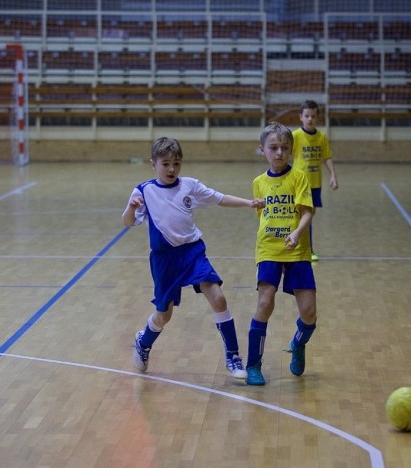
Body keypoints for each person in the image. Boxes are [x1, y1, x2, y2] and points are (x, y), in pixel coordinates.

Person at [123, 137, 263, 378]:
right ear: (153, 164)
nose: (171, 169)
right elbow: (127, 222)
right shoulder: (144, 191)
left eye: (176, 163)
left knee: (218, 298)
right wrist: (131, 209)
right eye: (165, 164)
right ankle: (143, 342)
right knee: (164, 314)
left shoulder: (189, 185)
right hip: (164, 260)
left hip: (192, 252)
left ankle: (233, 356)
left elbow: (219, 198)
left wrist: (248, 202)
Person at [246, 122, 317, 386]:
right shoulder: (258, 183)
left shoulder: (299, 177)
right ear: (262, 149)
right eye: (273, 148)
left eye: (284, 148)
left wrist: (297, 233)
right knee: (265, 303)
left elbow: (308, 211)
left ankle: (298, 343)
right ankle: (253, 365)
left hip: (297, 248)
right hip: (268, 249)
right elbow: (261, 215)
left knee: (309, 313)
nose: (279, 153)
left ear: (291, 150)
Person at [291, 100, 338, 261]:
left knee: (308, 217)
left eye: (313, 116)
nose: (310, 119)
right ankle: (304, 249)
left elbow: (327, 157)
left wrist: (332, 175)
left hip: (315, 184)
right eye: (306, 116)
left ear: (317, 117)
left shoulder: (321, 137)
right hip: (300, 184)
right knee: (303, 216)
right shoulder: (296, 136)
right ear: (301, 117)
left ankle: (306, 248)